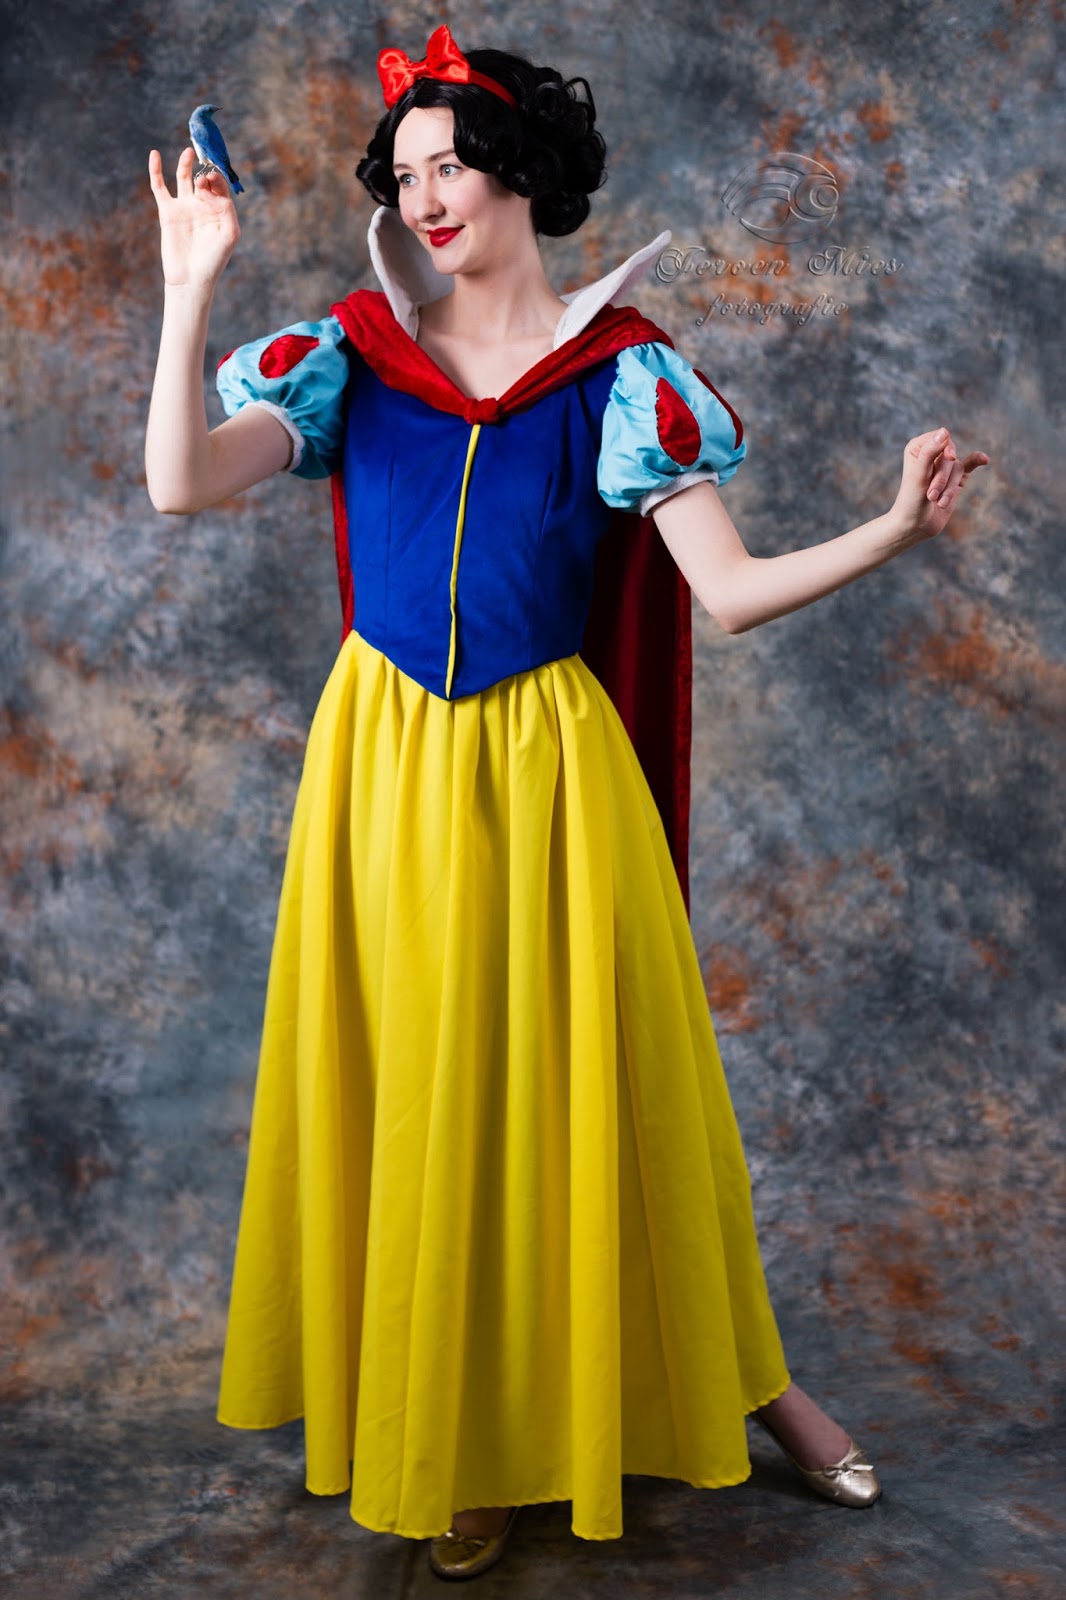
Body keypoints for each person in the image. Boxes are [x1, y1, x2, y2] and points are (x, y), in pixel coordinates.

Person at [145, 24, 989, 1584]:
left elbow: (726, 592)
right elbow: (179, 484)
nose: (425, 197)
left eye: (450, 164)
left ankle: (753, 1384)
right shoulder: (348, 355)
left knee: (615, 1095)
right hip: (384, 768)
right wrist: (191, 280)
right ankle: (460, 1435)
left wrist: (888, 529)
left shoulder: (623, 377)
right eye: (404, 175)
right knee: (425, 1091)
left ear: (520, 172)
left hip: (547, 774)